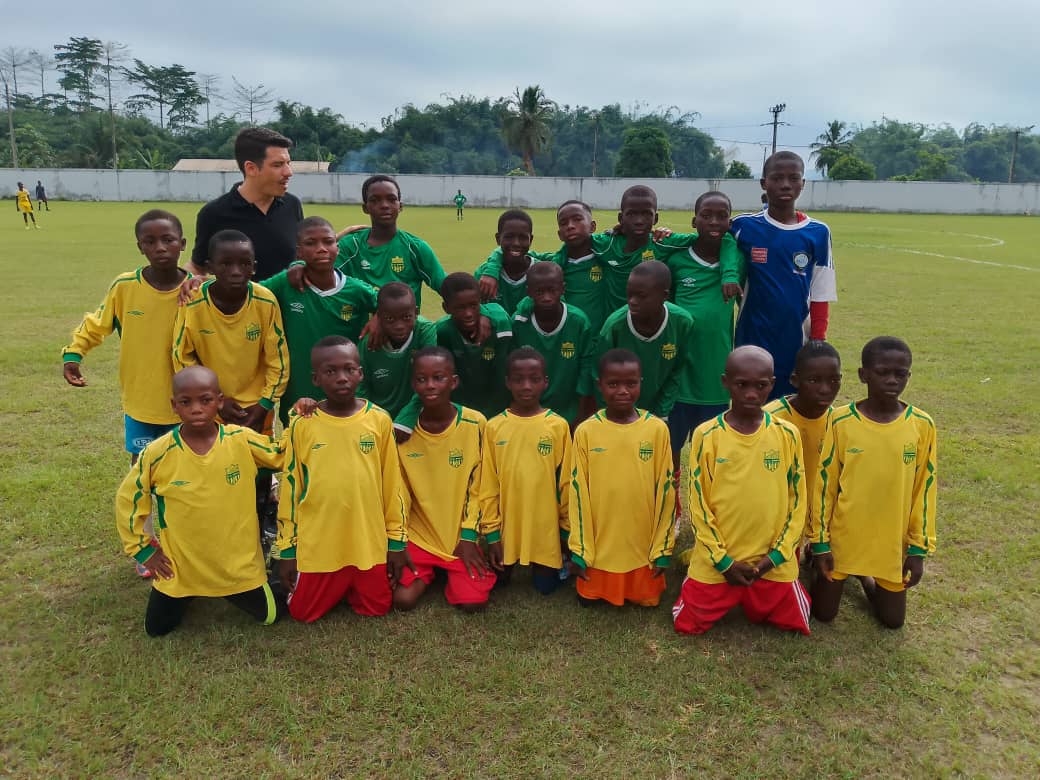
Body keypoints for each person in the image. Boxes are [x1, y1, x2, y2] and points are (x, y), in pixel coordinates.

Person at [115, 366, 284, 637]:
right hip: (182, 571)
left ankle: (264, 576)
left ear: (219, 401)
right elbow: (129, 501)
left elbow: (282, 454)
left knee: (270, 616)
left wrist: (303, 418)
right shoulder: (157, 454)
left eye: (205, 400)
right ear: (174, 406)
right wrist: (144, 551)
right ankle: (189, 592)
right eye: (186, 402)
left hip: (238, 569)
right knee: (155, 629)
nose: (196, 409)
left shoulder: (241, 441)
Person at [672, 346, 810, 636]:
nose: (751, 394)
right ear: (725, 382)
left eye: (761, 386)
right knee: (686, 624)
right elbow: (698, 504)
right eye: (742, 385)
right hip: (720, 560)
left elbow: (798, 502)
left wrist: (776, 557)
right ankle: (702, 573)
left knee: (797, 622)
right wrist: (723, 562)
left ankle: (765, 587)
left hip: (771, 560)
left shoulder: (787, 434)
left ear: (772, 384)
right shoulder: (707, 434)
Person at [275, 337, 413, 622]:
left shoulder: (379, 420)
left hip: (367, 543)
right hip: (320, 544)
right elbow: (291, 488)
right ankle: (316, 581)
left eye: (349, 369)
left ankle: (349, 585)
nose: (341, 378)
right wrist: (288, 549)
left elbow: (393, 486)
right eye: (330, 371)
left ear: (360, 373)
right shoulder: (303, 424)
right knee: (302, 613)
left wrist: (397, 543)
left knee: (377, 608)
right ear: (315, 378)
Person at [810, 337, 937, 629]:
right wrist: (820, 543)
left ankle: (865, 576)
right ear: (863, 375)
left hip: (890, 542)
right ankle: (829, 569)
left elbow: (924, 490)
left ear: (909, 375)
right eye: (883, 372)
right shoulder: (841, 421)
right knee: (824, 614)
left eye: (900, 373)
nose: (892, 380)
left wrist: (918, 550)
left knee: (892, 621)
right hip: (843, 539)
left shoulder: (921, 425)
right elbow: (825, 486)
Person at [63, 210, 189, 463]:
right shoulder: (125, 287)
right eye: (150, 242)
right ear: (140, 247)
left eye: (168, 240)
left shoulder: (196, 290)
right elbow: (97, 323)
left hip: (189, 401)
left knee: (185, 467)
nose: (160, 247)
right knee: (141, 464)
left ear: (182, 244)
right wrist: (74, 354)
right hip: (141, 398)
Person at [568, 349, 676, 608]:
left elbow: (666, 492)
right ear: (600, 385)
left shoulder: (657, 430)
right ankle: (597, 580)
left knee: (648, 600)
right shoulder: (586, 431)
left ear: (641, 383)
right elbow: (577, 492)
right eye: (613, 384)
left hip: (641, 542)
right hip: (600, 542)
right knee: (589, 600)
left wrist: (662, 550)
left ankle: (640, 580)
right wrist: (580, 551)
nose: (622, 391)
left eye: (631, 383)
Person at [393, 347, 495, 612]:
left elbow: (481, 486)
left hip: (459, 537)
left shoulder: (475, 423)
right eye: (421, 379)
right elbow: (399, 492)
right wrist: (398, 541)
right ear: (413, 384)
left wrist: (469, 535)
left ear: (454, 381)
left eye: (438, 378)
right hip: (420, 536)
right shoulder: (402, 434)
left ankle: (451, 569)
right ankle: (429, 569)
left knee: (472, 603)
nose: (430, 385)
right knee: (403, 600)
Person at [731, 151, 837, 399]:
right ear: (763, 183)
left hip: (796, 338)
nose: (786, 184)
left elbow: (821, 292)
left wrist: (817, 341)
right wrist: (665, 235)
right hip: (751, 335)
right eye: (777, 178)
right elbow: (707, 238)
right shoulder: (743, 226)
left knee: (790, 405)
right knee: (751, 402)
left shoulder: (818, 232)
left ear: (803, 183)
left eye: (793, 178)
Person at [654, 191, 745, 476]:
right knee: (670, 447)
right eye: (706, 216)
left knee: (711, 453)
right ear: (694, 221)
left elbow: (730, 247)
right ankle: (672, 497)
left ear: (730, 222)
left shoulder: (736, 260)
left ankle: (707, 498)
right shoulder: (678, 260)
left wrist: (730, 275)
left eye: (721, 216)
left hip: (715, 372)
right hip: (680, 371)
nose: (714, 222)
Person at [262, 217, 377, 426]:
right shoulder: (286, 283)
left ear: (337, 248)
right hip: (298, 392)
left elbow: (394, 305)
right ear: (299, 252)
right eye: (311, 243)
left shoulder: (357, 290)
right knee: (300, 440)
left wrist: (378, 317)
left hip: (346, 393)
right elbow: (248, 292)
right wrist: (202, 281)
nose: (321, 249)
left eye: (328, 242)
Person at [173, 230, 289, 434]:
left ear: (254, 267)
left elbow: (278, 359)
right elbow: (182, 355)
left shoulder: (265, 301)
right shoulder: (193, 302)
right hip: (209, 404)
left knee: (257, 454)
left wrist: (265, 404)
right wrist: (215, 399)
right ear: (210, 267)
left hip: (256, 407)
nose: (235, 271)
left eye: (244, 264)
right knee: (214, 453)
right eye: (226, 264)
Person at [479, 348, 573, 595]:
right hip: (507, 526)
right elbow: (488, 484)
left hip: (545, 527)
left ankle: (553, 557)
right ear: (508, 382)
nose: (526, 386)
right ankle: (506, 548)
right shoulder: (495, 427)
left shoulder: (558, 426)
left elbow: (566, 483)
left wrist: (566, 531)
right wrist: (492, 535)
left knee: (545, 587)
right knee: (499, 582)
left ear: (545, 382)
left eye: (534, 379)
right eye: (518, 379)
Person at [188, 127, 302, 281]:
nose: (288, 172)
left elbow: (302, 256)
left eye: (288, 163)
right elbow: (197, 267)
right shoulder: (214, 214)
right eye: (278, 165)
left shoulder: (292, 205)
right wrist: (189, 282)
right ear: (251, 168)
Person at [478, 200, 610, 332]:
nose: (570, 226)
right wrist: (491, 270)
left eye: (577, 219)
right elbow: (516, 252)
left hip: (586, 335)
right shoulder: (553, 265)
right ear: (559, 234)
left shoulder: (607, 253)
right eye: (564, 223)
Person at [763, 340, 842, 555]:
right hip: (778, 517)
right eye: (814, 380)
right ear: (795, 380)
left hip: (820, 514)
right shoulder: (771, 419)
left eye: (833, 380)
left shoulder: (839, 423)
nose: (825, 389)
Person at [596, 261, 693, 421]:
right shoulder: (614, 327)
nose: (632, 301)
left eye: (641, 296)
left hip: (661, 411)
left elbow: (676, 370)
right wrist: (613, 415)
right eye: (629, 294)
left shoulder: (682, 322)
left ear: (664, 296)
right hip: (618, 412)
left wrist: (662, 413)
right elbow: (599, 375)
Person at [333, 175, 447, 309]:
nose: (384, 205)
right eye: (375, 200)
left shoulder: (416, 248)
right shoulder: (350, 246)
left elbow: (448, 289)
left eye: (391, 199)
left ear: (400, 206)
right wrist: (333, 240)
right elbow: (319, 278)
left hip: (404, 322)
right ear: (365, 208)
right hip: (360, 323)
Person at [511, 261, 597, 427]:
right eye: (539, 292)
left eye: (552, 290)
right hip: (530, 413)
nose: (547, 297)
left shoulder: (578, 321)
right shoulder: (519, 322)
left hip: (570, 414)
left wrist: (580, 415)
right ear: (528, 292)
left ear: (563, 289)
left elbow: (586, 369)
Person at [436, 272, 513, 419]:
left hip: (499, 413)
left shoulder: (499, 324)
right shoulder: (442, 333)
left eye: (473, 305)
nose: (468, 314)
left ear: (480, 302)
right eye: (460, 308)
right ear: (446, 308)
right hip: (461, 413)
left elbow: (501, 377)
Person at [357, 282, 438, 419]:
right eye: (390, 319)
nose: (399, 326)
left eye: (406, 317)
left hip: (416, 417)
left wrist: (405, 421)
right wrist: (370, 419)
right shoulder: (368, 343)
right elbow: (360, 388)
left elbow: (429, 379)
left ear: (416, 313)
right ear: (378, 317)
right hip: (378, 419)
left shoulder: (425, 332)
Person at [474, 209, 535, 316]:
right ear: (498, 239)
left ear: (531, 240)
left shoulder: (541, 272)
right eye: (509, 237)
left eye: (523, 237)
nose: (516, 243)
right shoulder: (483, 274)